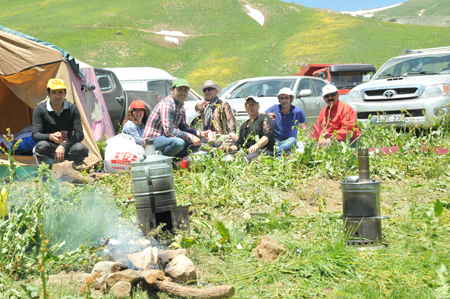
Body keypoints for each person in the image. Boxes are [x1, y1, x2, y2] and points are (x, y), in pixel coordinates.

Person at [142, 78, 209, 158]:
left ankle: (174, 162)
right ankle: (161, 162)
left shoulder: (181, 107)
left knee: (197, 142)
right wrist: (191, 136)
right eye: (179, 89)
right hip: (151, 142)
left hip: (167, 139)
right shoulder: (167, 104)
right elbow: (169, 130)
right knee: (179, 142)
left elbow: (184, 127)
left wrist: (200, 134)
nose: (182, 93)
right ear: (172, 90)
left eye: (185, 90)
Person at [32, 78, 89, 166]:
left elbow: (79, 135)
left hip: (68, 146)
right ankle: (46, 172)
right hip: (49, 148)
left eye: (60, 92)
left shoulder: (72, 109)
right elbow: (35, 135)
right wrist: (50, 136)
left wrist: (63, 146)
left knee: (81, 148)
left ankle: (74, 169)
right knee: (41, 146)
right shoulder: (40, 109)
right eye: (54, 92)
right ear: (48, 94)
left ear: (65, 93)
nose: (58, 96)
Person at [225, 96, 275, 162]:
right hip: (247, 151)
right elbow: (239, 144)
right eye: (248, 105)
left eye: (253, 104)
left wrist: (256, 146)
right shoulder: (244, 125)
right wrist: (229, 149)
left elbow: (267, 137)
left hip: (262, 150)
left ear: (258, 106)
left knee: (245, 159)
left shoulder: (265, 118)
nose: (250, 107)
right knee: (226, 158)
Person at [265, 87, 311, 155]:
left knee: (293, 140)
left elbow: (305, 128)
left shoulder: (297, 111)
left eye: (286, 98)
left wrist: (311, 142)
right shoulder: (274, 108)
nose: (284, 101)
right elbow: (261, 116)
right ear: (279, 100)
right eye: (282, 98)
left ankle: (274, 153)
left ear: (291, 99)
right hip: (275, 140)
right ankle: (279, 152)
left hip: (289, 141)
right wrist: (266, 118)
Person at [195, 80, 238, 147]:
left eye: (209, 89)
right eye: (204, 90)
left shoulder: (223, 104)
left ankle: (217, 152)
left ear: (216, 91)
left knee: (232, 140)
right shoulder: (203, 105)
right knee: (193, 141)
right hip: (206, 137)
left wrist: (232, 132)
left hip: (220, 136)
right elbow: (196, 109)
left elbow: (231, 118)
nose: (207, 92)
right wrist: (200, 105)